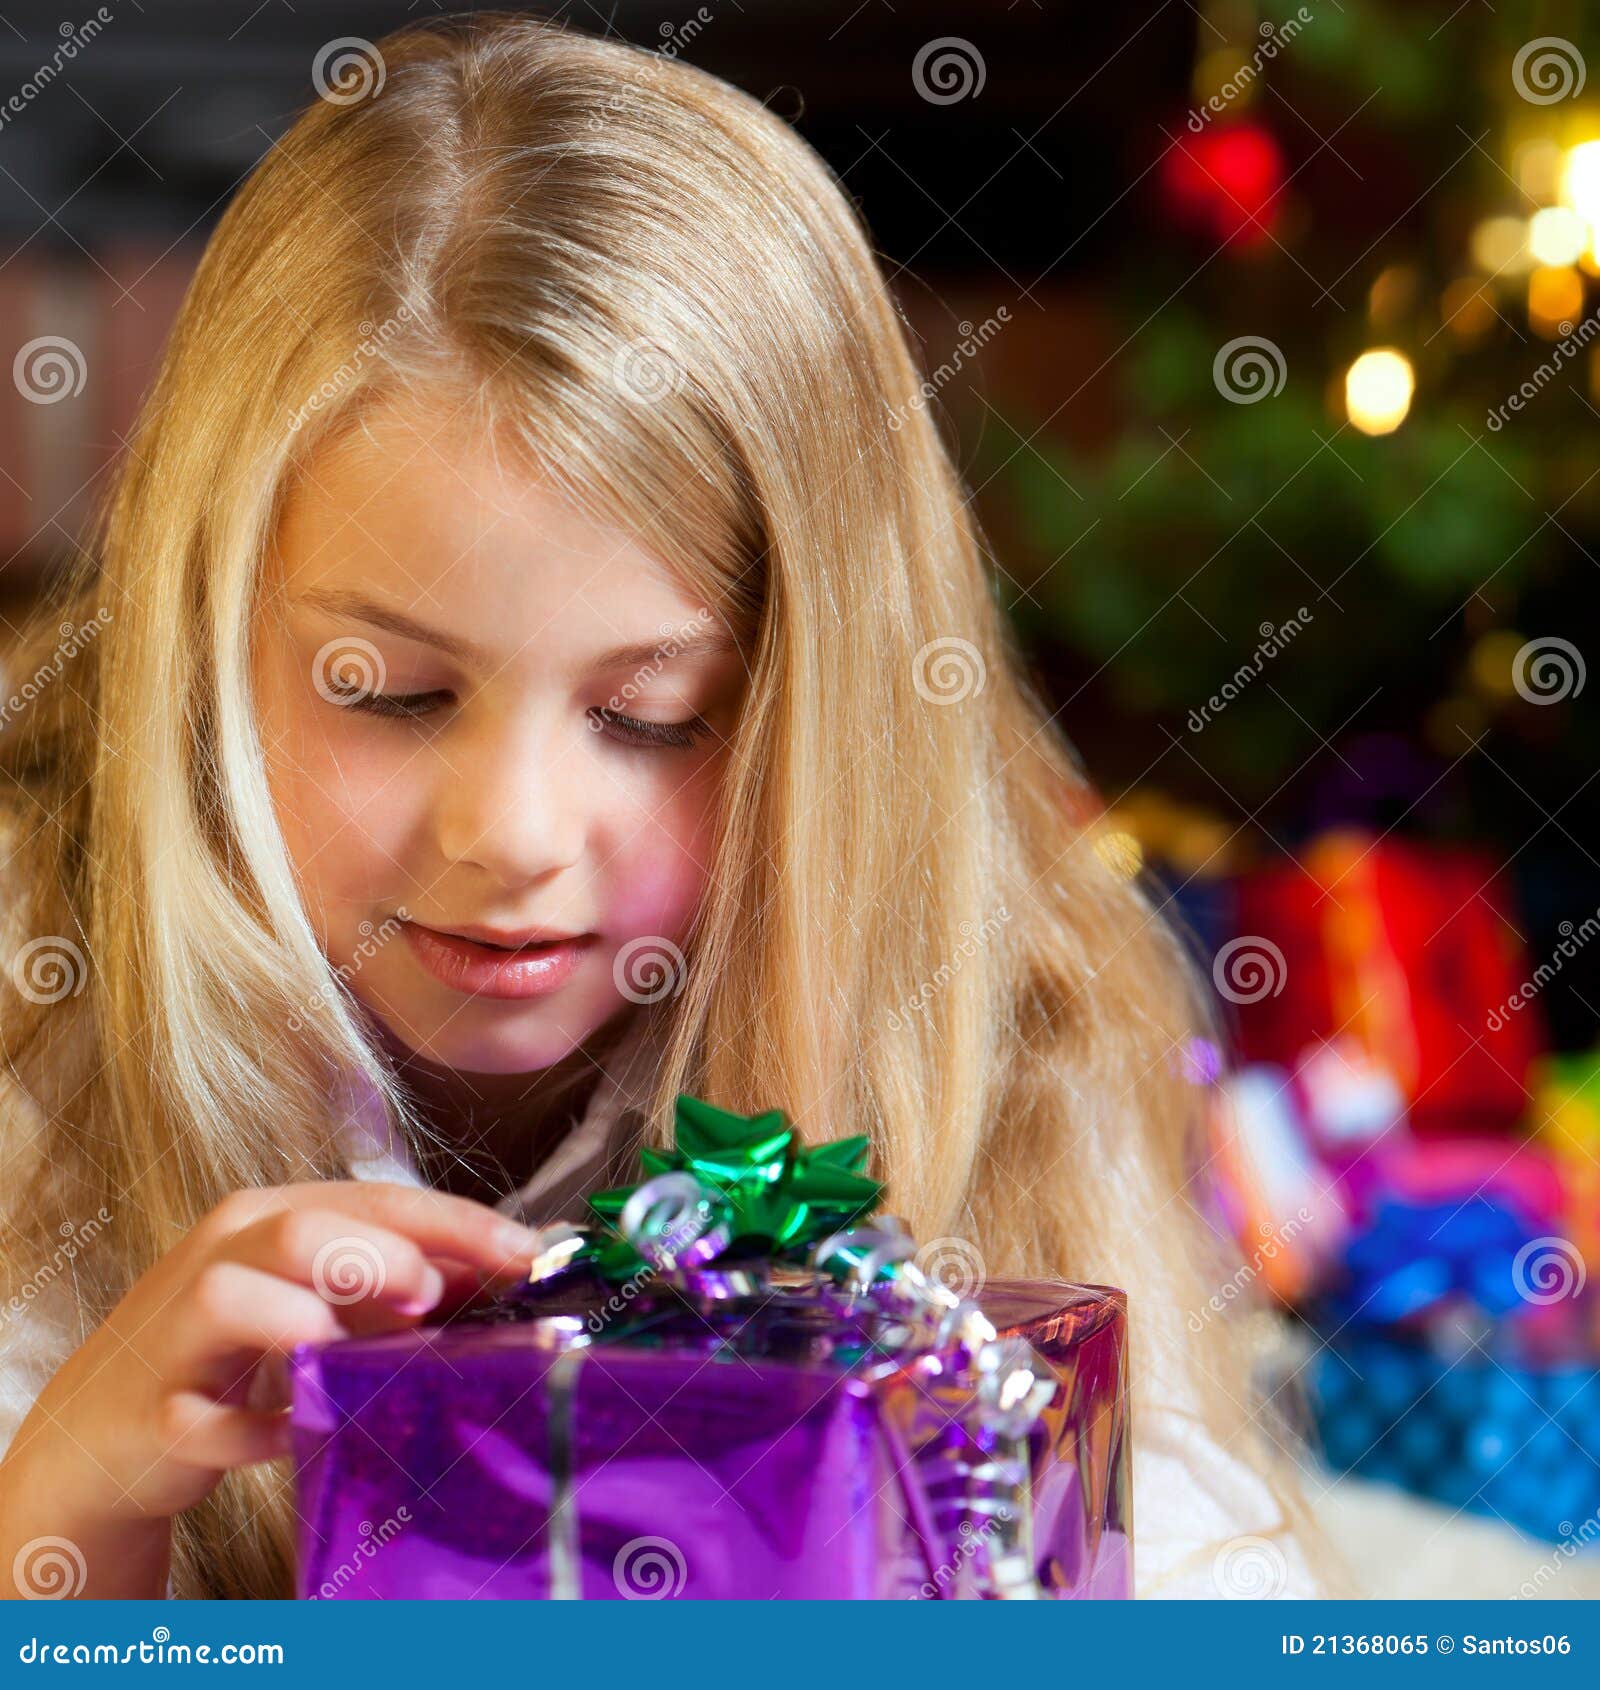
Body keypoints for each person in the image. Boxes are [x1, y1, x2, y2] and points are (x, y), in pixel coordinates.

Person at [0, 14, 1329, 1599]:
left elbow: (1200, 1565)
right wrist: (68, 1504)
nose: (512, 831)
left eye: (654, 716)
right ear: (208, 645)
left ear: (818, 723)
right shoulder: (40, 1027)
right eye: (389, 692)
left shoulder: (1009, 1021)